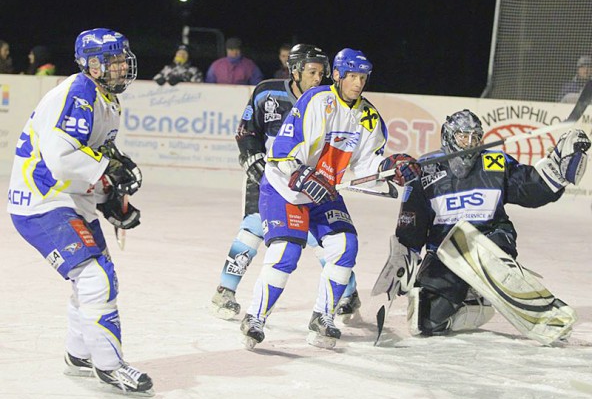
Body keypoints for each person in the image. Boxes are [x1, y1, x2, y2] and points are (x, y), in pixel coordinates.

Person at [239, 48, 420, 349]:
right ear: (337, 75)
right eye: (352, 77)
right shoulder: (316, 100)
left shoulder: (369, 116)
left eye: (362, 77)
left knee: (345, 244)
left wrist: (389, 167)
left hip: (323, 190)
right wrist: (299, 174)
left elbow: (365, 164)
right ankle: (254, 318)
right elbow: (284, 147)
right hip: (286, 187)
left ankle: (322, 317)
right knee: (286, 252)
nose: (358, 83)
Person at [7, 28, 153, 396]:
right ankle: (109, 366)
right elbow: (62, 157)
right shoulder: (79, 93)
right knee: (95, 279)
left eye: (123, 59)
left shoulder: (106, 99)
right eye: (114, 61)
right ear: (92, 65)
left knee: (96, 279)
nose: (122, 67)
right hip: (43, 200)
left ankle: (79, 355)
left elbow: (91, 158)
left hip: (69, 199)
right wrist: (110, 171)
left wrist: (110, 204)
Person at [387, 109, 590, 339]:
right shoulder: (425, 168)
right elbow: (412, 224)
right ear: (449, 136)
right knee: (424, 322)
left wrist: (557, 170)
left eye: (475, 137)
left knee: (479, 252)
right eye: (463, 136)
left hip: (491, 239)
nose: (469, 143)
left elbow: (530, 188)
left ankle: (547, 316)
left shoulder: (494, 162)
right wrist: (405, 260)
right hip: (445, 253)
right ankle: (473, 301)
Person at [211, 44, 362, 322]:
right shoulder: (266, 91)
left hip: (311, 182)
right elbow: (246, 131)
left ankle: (348, 292)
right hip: (269, 178)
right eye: (312, 72)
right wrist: (251, 156)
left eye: (322, 73)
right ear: (294, 71)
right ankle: (225, 289)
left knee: (322, 235)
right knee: (253, 229)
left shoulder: (327, 100)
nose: (318, 79)